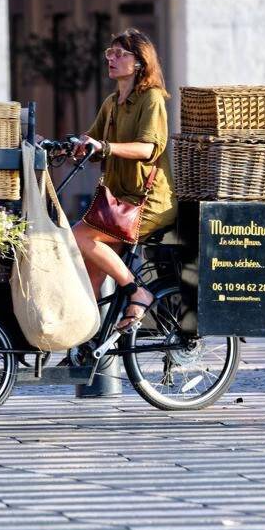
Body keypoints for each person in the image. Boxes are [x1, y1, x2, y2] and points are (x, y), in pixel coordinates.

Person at [71, 29, 177, 331]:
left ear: (140, 62)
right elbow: (93, 140)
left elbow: (148, 148)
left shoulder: (152, 99)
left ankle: (136, 293)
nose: (112, 59)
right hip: (117, 201)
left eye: (120, 54)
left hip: (147, 203)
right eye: (110, 53)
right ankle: (89, 342)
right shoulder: (112, 102)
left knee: (80, 236)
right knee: (91, 274)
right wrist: (73, 145)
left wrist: (105, 147)